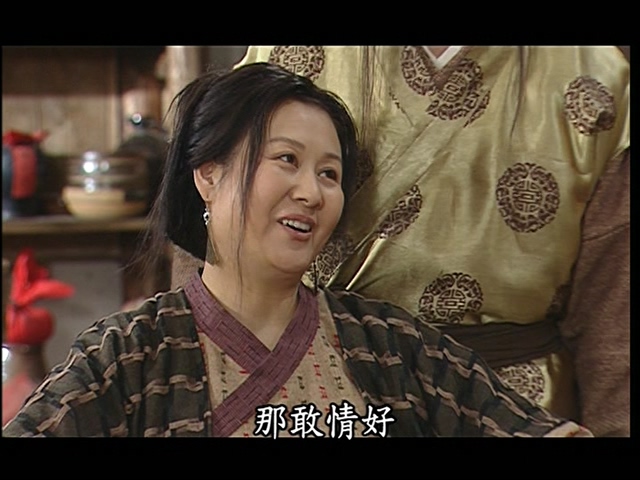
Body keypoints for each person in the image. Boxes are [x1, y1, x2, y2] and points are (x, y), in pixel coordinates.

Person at [2, 62, 590, 437]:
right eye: (287, 159)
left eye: (330, 174)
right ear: (208, 175)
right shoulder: (130, 354)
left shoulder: (389, 346)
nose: (312, 192)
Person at [173, 46, 630, 436]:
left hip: (516, 405)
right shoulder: (291, 53)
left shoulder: (595, 77)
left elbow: (614, 324)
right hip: (319, 389)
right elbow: (219, 232)